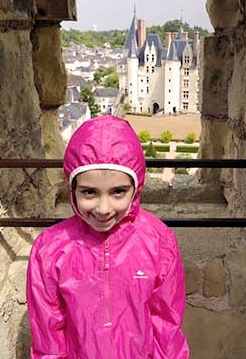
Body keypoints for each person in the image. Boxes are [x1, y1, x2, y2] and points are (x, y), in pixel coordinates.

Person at [26, 115, 189, 358]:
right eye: (89, 192)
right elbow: (48, 336)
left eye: (118, 192)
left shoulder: (158, 242)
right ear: (72, 189)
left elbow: (167, 326)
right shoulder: (49, 249)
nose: (103, 208)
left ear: (136, 188)